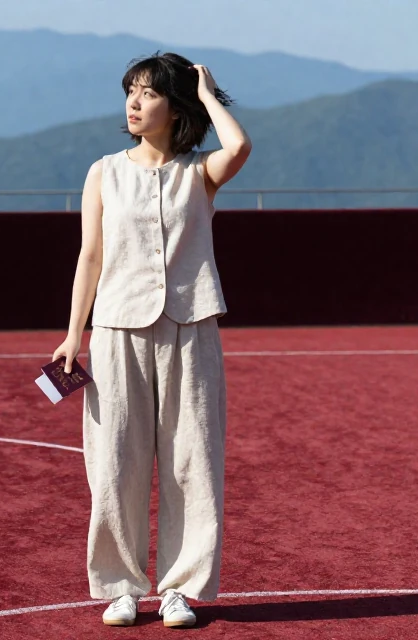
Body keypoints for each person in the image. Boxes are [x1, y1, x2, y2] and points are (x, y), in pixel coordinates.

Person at [52, 51, 251, 628]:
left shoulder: (200, 172)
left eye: (149, 93)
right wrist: (72, 335)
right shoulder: (104, 172)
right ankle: (121, 587)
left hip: (191, 328)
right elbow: (90, 257)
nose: (134, 104)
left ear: (176, 107)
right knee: (115, 461)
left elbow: (239, 147)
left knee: (194, 460)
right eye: (130, 92)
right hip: (116, 331)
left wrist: (207, 93)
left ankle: (179, 590)